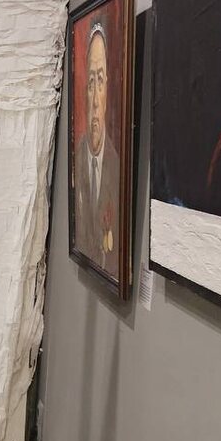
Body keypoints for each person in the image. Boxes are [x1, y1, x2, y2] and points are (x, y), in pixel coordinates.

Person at [72, 21, 120, 269]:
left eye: (100, 80)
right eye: (91, 82)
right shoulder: (76, 159)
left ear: (108, 89)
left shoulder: (117, 167)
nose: (95, 101)